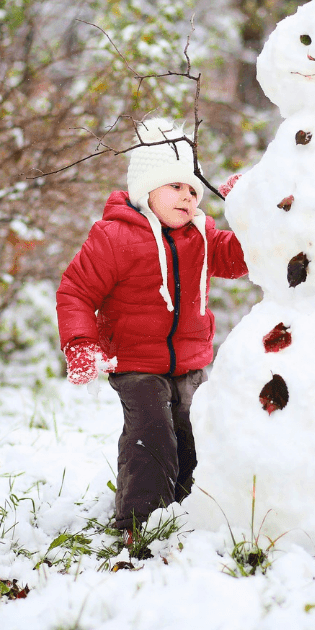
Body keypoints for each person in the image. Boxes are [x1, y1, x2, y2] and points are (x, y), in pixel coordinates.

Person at [56, 119, 248, 539]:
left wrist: (253, 213)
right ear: (146, 190)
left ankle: (186, 511)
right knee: (152, 434)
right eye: (175, 186)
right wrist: (81, 343)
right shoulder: (114, 237)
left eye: (193, 189)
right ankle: (139, 523)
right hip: (135, 361)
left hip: (190, 361)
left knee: (192, 432)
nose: (188, 196)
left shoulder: (202, 235)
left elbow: (241, 258)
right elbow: (75, 291)